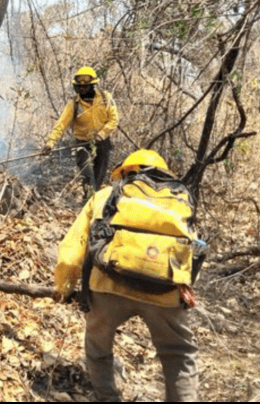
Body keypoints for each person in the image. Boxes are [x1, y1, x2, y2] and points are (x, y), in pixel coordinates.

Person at [54, 149, 199, 402]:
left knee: (98, 349)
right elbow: (189, 251)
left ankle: (108, 398)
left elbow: (70, 252)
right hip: (165, 290)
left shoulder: (105, 196)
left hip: (109, 284)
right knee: (179, 354)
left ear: (125, 172)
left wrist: (64, 287)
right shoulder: (178, 201)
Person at [43, 66, 118, 197]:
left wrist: (102, 134)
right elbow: (61, 124)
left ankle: (93, 199)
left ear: (93, 85)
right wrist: (50, 143)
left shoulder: (105, 98)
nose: (82, 89)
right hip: (82, 144)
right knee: (87, 173)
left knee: (99, 174)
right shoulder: (74, 104)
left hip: (102, 143)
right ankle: (89, 198)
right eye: (79, 87)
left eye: (85, 86)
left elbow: (114, 120)